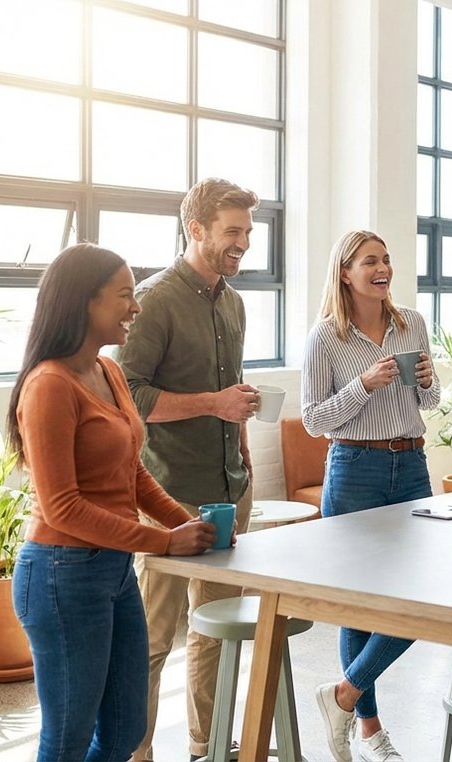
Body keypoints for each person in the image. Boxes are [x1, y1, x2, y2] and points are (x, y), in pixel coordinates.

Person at [5, 244, 217, 762]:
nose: (135, 307)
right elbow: (63, 508)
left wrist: (190, 525)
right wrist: (164, 542)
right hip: (62, 575)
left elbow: (133, 472)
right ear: (85, 301)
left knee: (125, 730)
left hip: (113, 571)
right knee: (67, 739)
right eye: (124, 295)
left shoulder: (109, 372)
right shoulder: (49, 385)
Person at [113, 178, 262, 762]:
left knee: (216, 628)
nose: (243, 243)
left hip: (230, 488)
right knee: (151, 641)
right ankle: (137, 750)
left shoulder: (234, 300)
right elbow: (128, 392)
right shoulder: (151, 300)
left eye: (247, 232)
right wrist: (213, 404)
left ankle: (207, 741)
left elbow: (231, 388)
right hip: (169, 496)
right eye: (232, 231)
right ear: (195, 229)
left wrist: (242, 439)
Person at [303, 230, 439, 762]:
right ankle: (369, 729)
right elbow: (315, 420)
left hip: (411, 464)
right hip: (354, 467)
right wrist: (363, 384)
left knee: (421, 596)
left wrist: (426, 380)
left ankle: (342, 694)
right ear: (345, 272)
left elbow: (426, 401)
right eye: (370, 262)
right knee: (358, 607)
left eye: (386, 259)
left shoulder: (412, 323)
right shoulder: (325, 337)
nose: (383, 269)